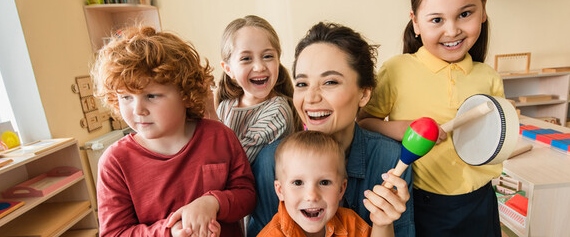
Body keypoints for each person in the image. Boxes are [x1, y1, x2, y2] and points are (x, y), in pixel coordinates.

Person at [249, 22, 415, 237]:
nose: (311, 97)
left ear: (364, 94)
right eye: (302, 84)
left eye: (329, 82)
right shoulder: (271, 160)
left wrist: (385, 224)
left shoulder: (391, 160)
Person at [357, 0, 504, 235]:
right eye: (437, 19)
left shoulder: (489, 77)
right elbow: (363, 123)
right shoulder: (397, 70)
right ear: (415, 23)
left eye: (465, 14)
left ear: (483, 9)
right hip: (423, 204)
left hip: (481, 200)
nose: (452, 30)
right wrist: (402, 129)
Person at [92, 25, 255, 237]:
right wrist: (170, 232)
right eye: (126, 98)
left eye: (151, 96)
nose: (138, 109)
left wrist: (213, 202)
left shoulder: (219, 136)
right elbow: (115, 234)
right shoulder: (114, 162)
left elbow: (248, 196)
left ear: (184, 93)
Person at [258, 131, 398, 237]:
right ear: (280, 190)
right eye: (298, 182)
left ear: (341, 189)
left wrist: (382, 224)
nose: (312, 196)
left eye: (324, 182)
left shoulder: (351, 224)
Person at [215, 15, 301, 163]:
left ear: (278, 61)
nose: (259, 67)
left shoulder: (277, 110)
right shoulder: (225, 107)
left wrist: (209, 117)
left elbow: (236, 163)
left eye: (267, 56)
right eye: (246, 58)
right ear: (229, 69)